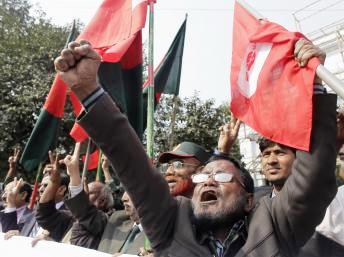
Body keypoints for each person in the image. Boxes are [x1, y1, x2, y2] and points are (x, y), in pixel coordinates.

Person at [54, 39, 338, 256]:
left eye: (224, 176)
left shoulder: (274, 224)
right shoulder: (171, 220)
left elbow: (311, 180)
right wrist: (88, 90)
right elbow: (133, 165)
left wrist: (310, 86)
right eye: (203, 176)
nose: (209, 180)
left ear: (249, 200)